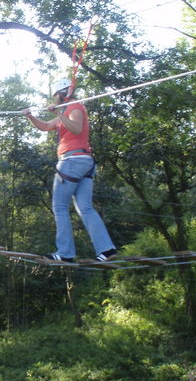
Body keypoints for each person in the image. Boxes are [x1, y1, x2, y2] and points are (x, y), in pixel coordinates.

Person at [22, 79, 117, 262]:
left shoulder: (74, 107)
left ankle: (65, 253)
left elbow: (76, 128)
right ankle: (107, 250)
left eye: (55, 96)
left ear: (60, 94)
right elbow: (46, 127)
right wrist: (30, 116)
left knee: (60, 208)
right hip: (82, 163)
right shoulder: (65, 112)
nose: (54, 99)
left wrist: (59, 112)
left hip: (73, 161)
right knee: (85, 208)